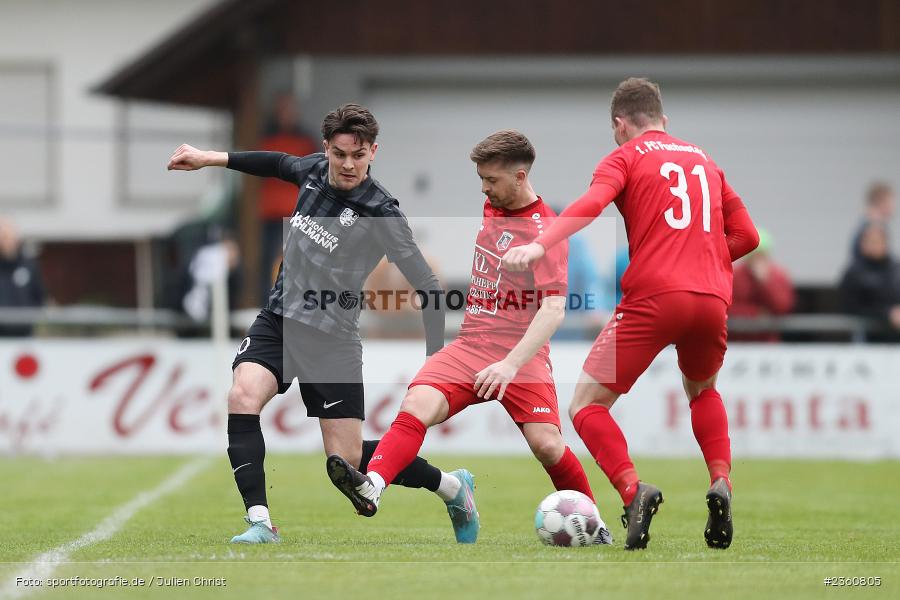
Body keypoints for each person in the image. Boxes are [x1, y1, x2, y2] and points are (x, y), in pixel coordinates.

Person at [167, 103, 477, 544]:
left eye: (359, 155)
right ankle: (260, 523)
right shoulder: (312, 170)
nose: (348, 164)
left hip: (333, 341)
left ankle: (451, 487)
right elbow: (274, 163)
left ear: (373, 152)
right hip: (279, 321)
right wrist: (209, 158)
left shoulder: (382, 212)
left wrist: (435, 359)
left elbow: (427, 285)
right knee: (242, 395)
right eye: (339, 154)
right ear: (327, 148)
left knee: (347, 460)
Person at [504, 78, 759, 550]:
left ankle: (632, 490)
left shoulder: (624, 157)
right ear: (663, 119)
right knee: (703, 391)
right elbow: (748, 236)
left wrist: (542, 242)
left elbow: (592, 204)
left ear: (620, 124)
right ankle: (721, 480)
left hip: (654, 297)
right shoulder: (706, 161)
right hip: (710, 299)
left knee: (586, 405)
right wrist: (702, 260)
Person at [325, 130, 612, 545]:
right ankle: (374, 486)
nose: (483, 188)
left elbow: (553, 310)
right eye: (480, 178)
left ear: (519, 177)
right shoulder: (494, 205)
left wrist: (510, 364)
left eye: (491, 180)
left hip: (521, 355)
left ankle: (594, 526)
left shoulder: (545, 233)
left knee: (548, 445)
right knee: (417, 404)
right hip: (472, 344)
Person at [257, 93, 318, 302]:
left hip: (296, 213)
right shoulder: (266, 138)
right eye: (283, 110)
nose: (287, 115)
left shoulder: (306, 141)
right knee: (269, 261)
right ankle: (269, 302)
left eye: (290, 110)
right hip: (271, 214)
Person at [729, 228, 795, 341]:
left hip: (767, 343)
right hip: (737, 342)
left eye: (761, 255)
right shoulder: (735, 275)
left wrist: (765, 282)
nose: (757, 260)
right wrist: (756, 314)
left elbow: (783, 307)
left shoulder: (778, 275)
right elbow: (727, 308)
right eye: (754, 255)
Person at [840, 222, 900, 340]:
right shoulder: (854, 273)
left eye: (878, 241)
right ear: (863, 243)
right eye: (871, 241)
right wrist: (887, 314)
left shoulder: (896, 269)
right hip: (868, 338)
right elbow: (849, 307)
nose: (875, 245)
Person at [0, 218, 45, 337]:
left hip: (24, 334)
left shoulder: (29, 266)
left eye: (7, 237)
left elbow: (39, 297)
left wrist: (30, 317)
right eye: (3, 237)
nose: (5, 241)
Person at [851, 182, 894, 260]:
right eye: (890, 202)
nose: (893, 207)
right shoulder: (873, 228)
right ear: (880, 202)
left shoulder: (867, 224)